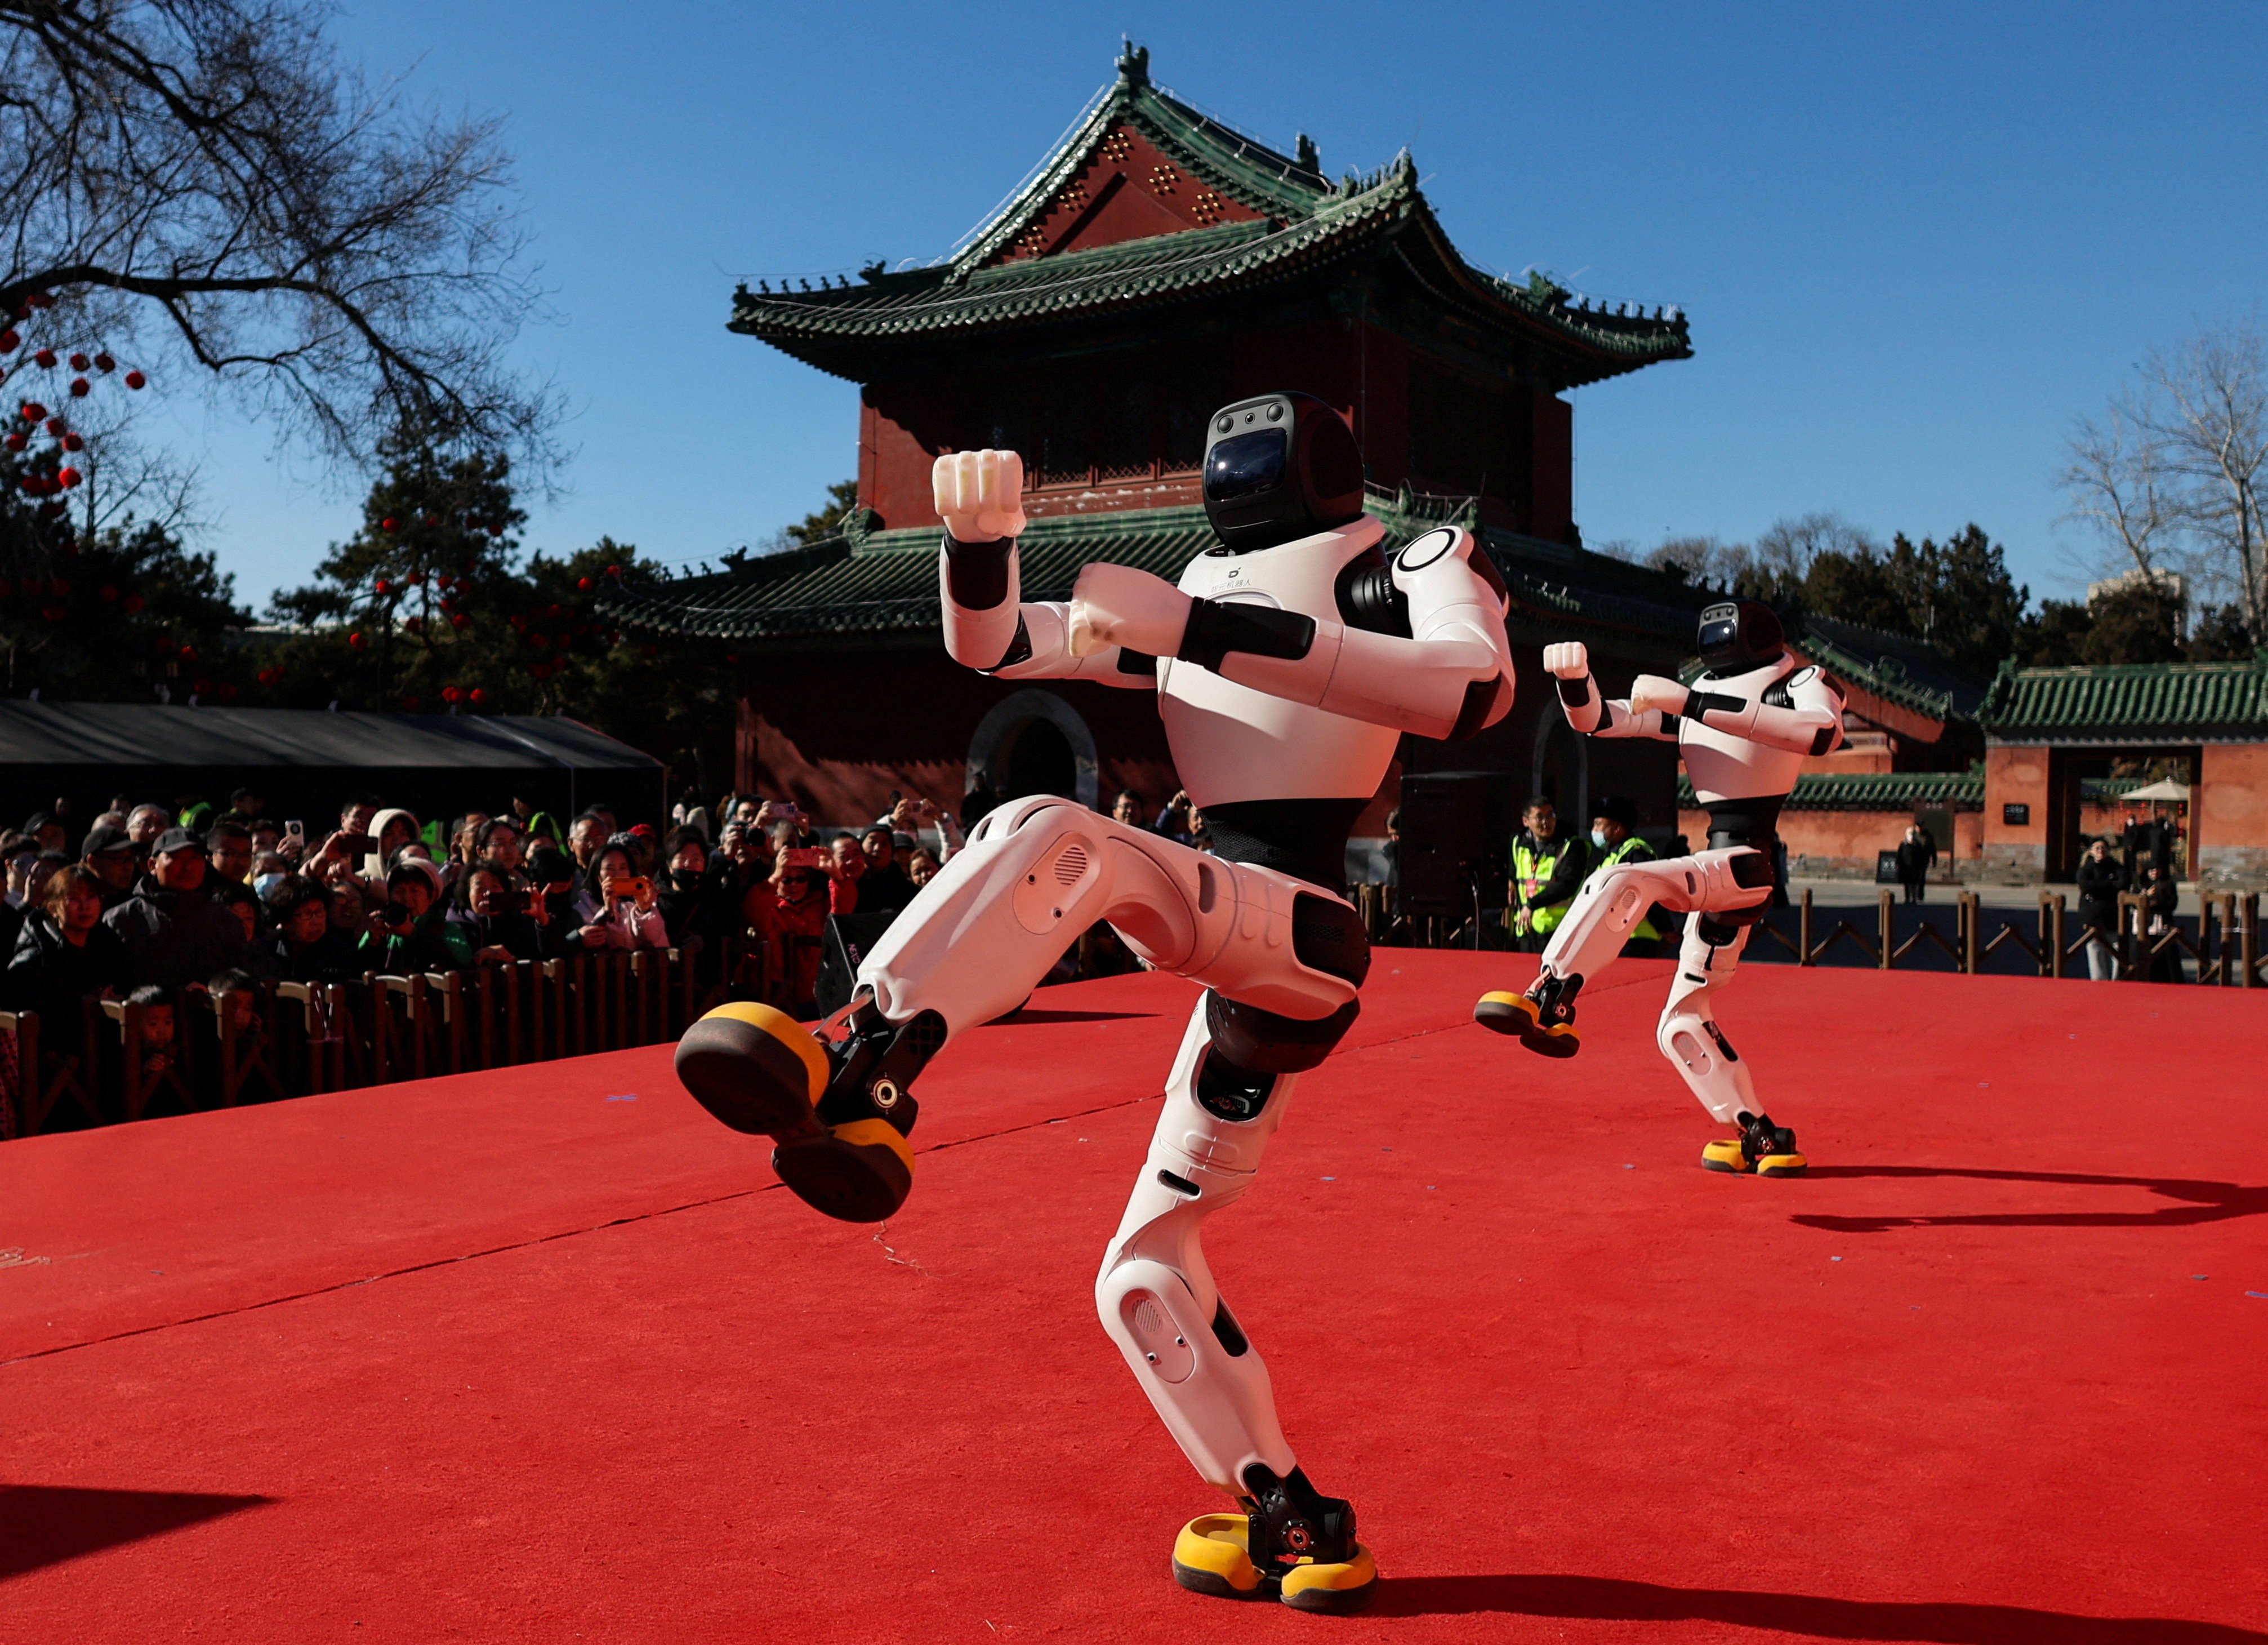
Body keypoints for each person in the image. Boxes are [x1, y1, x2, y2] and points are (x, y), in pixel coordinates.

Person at [675, 397, 1518, 1613]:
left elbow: (1473, 690)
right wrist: (980, 549)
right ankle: (1289, 1511)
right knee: (1142, 1271)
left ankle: (859, 1057)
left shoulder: (1402, 562)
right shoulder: (1202, 585)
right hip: (1242, 956)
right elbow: (1001, 648)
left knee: (1060, 834)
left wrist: (1204, 626)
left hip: (1305, 925)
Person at [1476, 602, 1846, 1179]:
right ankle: (1761, 1135)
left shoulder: (1795, 681)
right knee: (1681, 1021)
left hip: (1747, 860)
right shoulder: (1700, 692)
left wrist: (1692, 704)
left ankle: (1551, 994)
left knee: (1623, 878)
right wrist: (1574, 682)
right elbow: (1604, 720)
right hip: (1723, 863)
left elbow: (1821, 733)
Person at [104, 828, 250, 989]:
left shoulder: (224, 921)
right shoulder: (122, 918)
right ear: (152, 865)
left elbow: (239, 983)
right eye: (176, 858)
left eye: (195, 859)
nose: (187, 867)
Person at [3, 864, 131, 1039]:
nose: (84, 906)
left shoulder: (110, 948)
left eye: (91, 897)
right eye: (74, 899)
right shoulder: (34, 961)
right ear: (53, 908)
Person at [1587, 796, 1664, 957]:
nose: (1594, 830)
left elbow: (1650, 892)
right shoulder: (1611, 855)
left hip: (1637, 938)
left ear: (1617, 828)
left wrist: (1665, 928)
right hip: (1615, 937)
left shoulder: (1636, 852)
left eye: (1599, 824)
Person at [362, 859, 468, 972]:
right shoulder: (384, 928)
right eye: (400, 891)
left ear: (431, 897)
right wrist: (371, 940)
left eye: (415, 891)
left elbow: (463, 959)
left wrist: (413, 934)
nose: (407, 898)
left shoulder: (445, 929)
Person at [1509, 797, 1585, 953]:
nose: (1546, 822)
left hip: (1560, 930)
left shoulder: (1571, 846)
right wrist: (1510, 880)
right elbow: (1515, 871)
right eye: (1539, 817)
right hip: (1527, 928)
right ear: (1526, 822)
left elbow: (1567, 885)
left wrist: (1532, 904)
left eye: (1551, 816)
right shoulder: (1519, 843)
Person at [570, 839, 669, 953]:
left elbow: (655, 939)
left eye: (623, 868)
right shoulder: (583, 908)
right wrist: (607, 911)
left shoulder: (641, 900)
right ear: (598, 875)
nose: (617, 875)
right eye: (610, 869)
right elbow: (599, 942)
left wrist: (645, 910)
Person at [264, 875, 363, 984]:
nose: (316, 921)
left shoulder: (342, 953)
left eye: (320, 911)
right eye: (307, 914)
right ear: (286, 921)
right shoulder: (267, 950)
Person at [448, 864, 551, 964]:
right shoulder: (455, 927)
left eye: (495, 887)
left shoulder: (519, 920)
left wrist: (542, 920)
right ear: (467, 894)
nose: (488, 893)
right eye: (480, 888)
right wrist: (477, 958)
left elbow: (553, 959)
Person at [2076, 837, 2124, 982]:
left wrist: (2098, 888)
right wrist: (2109, 886)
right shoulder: (2085, 869)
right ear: (2091, 852)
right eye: (2097, 848)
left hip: (2113, 914)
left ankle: (2118, 979)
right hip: (2092, 915)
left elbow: (2123, 883)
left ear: (2109, 851)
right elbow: (2086, 886)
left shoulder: (2117, 868)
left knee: (2117, 947)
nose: (2101, 851)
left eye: (2103, 848)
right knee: (2095, 948)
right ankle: (2098, 981)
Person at [854, 824, 915, 917]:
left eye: (884, 844)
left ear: (892, 852)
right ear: (860, 848)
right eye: (872, 842)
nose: (878, 848)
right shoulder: (848, 883)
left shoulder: (908, 892)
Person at [2141, 861, 2184, 983]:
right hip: (2147, 925)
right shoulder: (2142, 884)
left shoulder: (2168, 884)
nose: (2155, 873)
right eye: (2152, 870)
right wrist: (2147, 896)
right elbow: (2137, 903)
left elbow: (2171, 904)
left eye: (2157, 870)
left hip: (2164, 924)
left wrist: (2158, 904)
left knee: (2168, 956)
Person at [1896, 823, 1936, 905]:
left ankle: (1917, 897)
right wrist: (1898, 864)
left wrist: (1933, 860)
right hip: (1906, 866)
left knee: (1917, 881)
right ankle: (1908, 897)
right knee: (1907, 883)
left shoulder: (1921, 842)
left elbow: (1931, 849)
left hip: (1917, 865)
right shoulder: (1903, 844)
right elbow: (1899, 855)